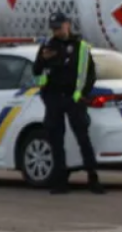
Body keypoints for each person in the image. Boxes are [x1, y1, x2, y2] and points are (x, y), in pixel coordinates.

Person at [32, 12, 105, 195]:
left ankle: (93, 177)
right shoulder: (48, 46)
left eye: (59, 27)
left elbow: (90, 74)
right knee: (56, 141)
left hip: (73, 98)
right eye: (54, 28)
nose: (57, 31)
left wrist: (82, 95)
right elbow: (36, 71)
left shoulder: (80, 47)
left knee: (83, 139)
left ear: (68, 25)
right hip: (54, 98)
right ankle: (60, 180)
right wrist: (43, 59)